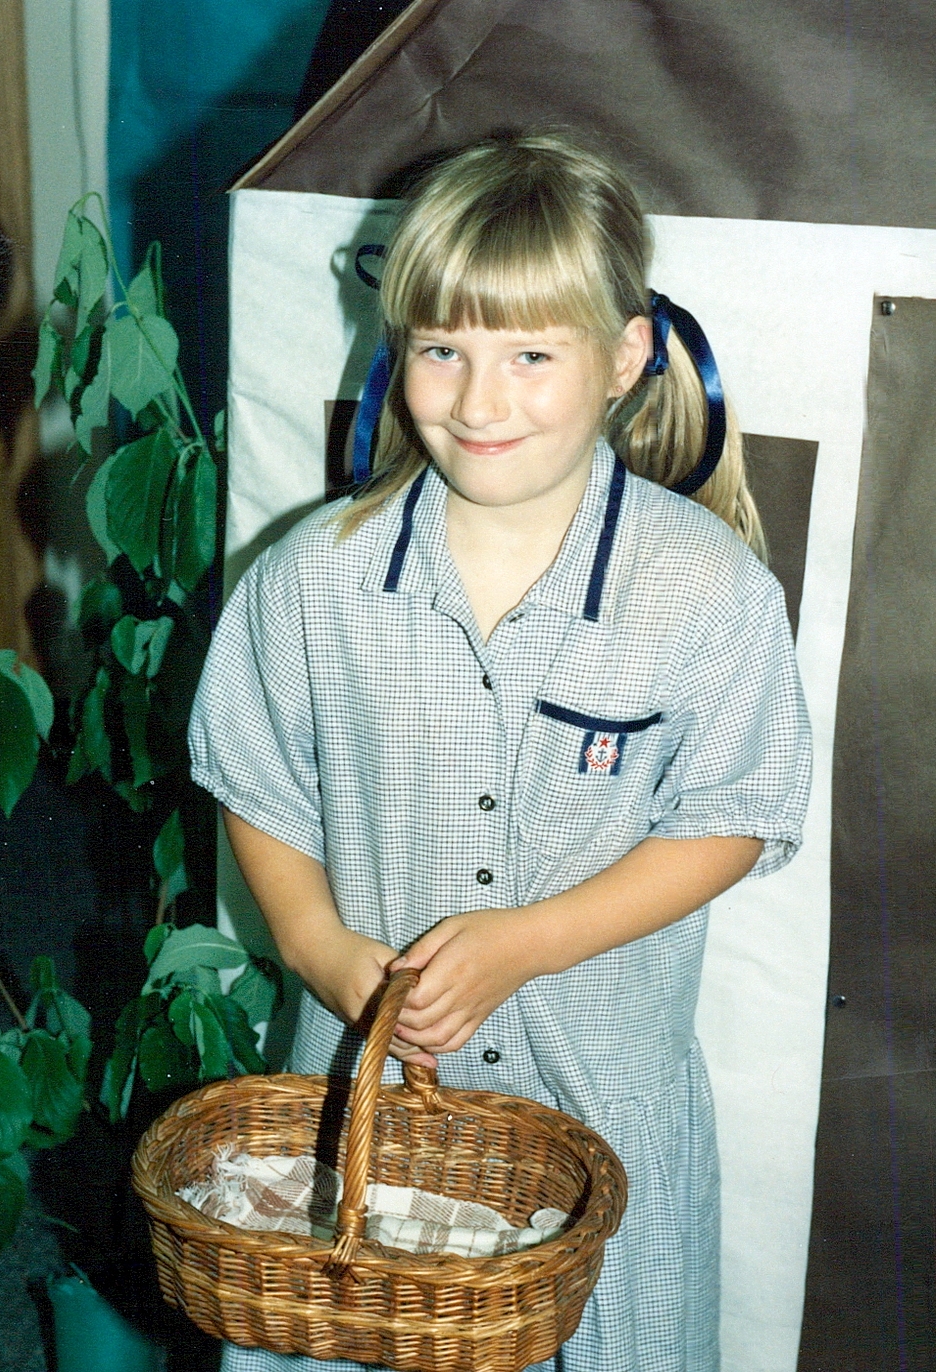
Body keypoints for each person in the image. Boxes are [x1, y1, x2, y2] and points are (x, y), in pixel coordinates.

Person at [188, 131, 811, 1372]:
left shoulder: (706, 589)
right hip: (364, 1117)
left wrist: (529, 941)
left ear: (623, 356)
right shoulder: (311, 577)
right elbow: (257, 784)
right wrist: (318, 949)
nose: (478, 402)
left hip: (598, 1105)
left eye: (530, 355)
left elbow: (733, 814)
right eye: (442, 351)